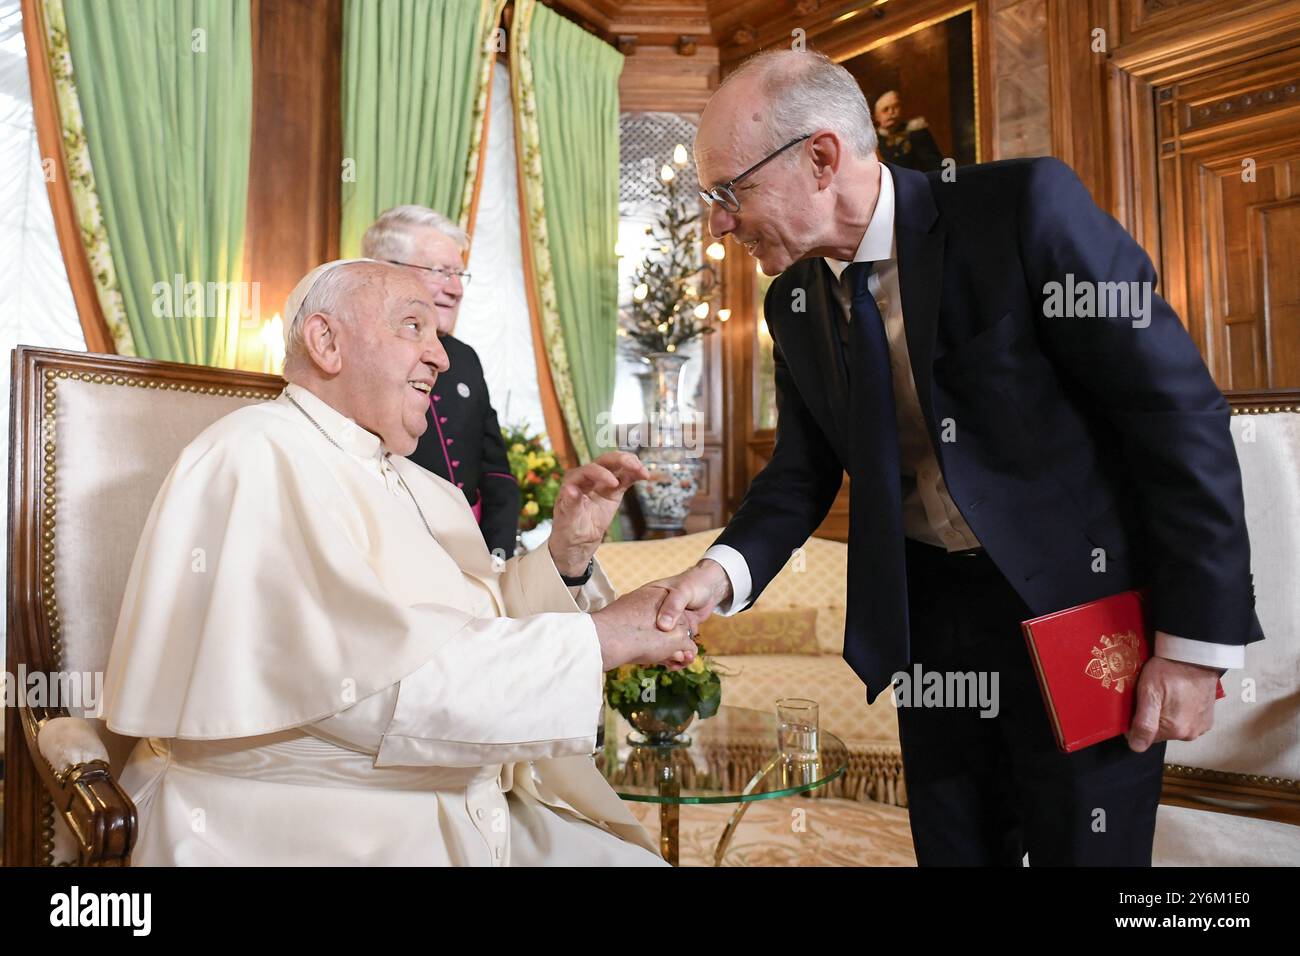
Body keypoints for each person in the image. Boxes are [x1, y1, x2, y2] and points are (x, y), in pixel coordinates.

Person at [656, 50, 1262, 865]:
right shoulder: (792, 302)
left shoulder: (1021, 210)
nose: (719, 223)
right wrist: (719, 574)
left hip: (1080, 619)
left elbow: (1175, 416)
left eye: (731, 192)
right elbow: (801, 473)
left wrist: (1192, 649)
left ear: (822, 157)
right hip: (930, 630)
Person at [103, 259, 698, 866]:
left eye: (437, 335)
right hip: (310, 823)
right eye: (413, 327)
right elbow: (377, 690)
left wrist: (565, 559)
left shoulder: (418, 482)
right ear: (326, 342)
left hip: (456, 796)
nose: (440, 356)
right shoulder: (254, 454)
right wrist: (602, 638)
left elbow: (473, 627)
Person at [363, 205, 520, 559]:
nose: (456, 290)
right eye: (441, 272)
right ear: (387, 271)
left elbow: (497, 475)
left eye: (459, 275)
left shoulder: (465, 359)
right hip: (394, 554)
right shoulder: (362, 354)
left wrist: (496, 557)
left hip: (473, 556)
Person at [873, 90, 945, 172]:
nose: (891, 112)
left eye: (896, 106)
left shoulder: (916, 133)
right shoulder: (872, 140)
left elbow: (935, 167)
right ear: (877, 116)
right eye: (885, 109)